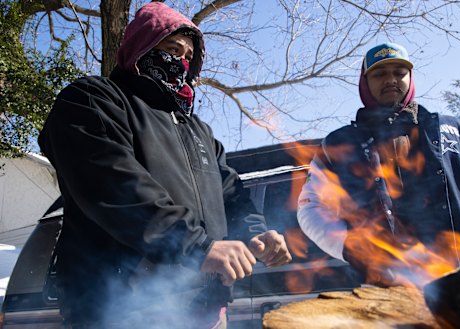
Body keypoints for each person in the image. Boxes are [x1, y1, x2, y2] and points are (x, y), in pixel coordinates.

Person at [38, 2, 291, 328]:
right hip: (120, 309)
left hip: (205, 310)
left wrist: (257, 233)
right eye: (172, 49)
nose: (180, 63)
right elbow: (113, 184)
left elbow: (231, 193)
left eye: (188, 57)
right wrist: (199, 246)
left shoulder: (199, 131)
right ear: (142, 44)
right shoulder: (93, 99)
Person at [297, 42, 460, 287]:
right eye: (379, 74)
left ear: (410, 78)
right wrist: (351, 247)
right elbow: (310, 206)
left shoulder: (452, 130)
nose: (390, 79)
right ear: (365, 82)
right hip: (388, 290)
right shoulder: (337, 144)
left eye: (399, 72)